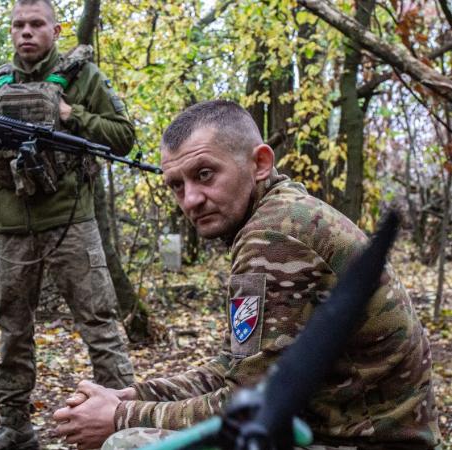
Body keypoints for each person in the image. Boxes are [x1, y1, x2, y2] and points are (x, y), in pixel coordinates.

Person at [51, 100, 440, 449]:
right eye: (177, 185)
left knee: (126, 442)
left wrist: (120, 418)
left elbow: (245, 405)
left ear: (260, 163)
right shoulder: (281, 214)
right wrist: (134, 396)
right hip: (340, 430)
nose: (190, 199)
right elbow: (231, 368)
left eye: (205, 174)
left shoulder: (274, 237)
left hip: (362, 442)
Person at [0, 0, 137, 448]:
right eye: (18, 25)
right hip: (11, 227)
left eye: (36, 24)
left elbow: (123, 136)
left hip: (70, 221)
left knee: (99, 324)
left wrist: (69, 115)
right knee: (13, 330)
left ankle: (125, 424)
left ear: (55, 29)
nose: (26, 32)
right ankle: (15, 427)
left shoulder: (84, 78)